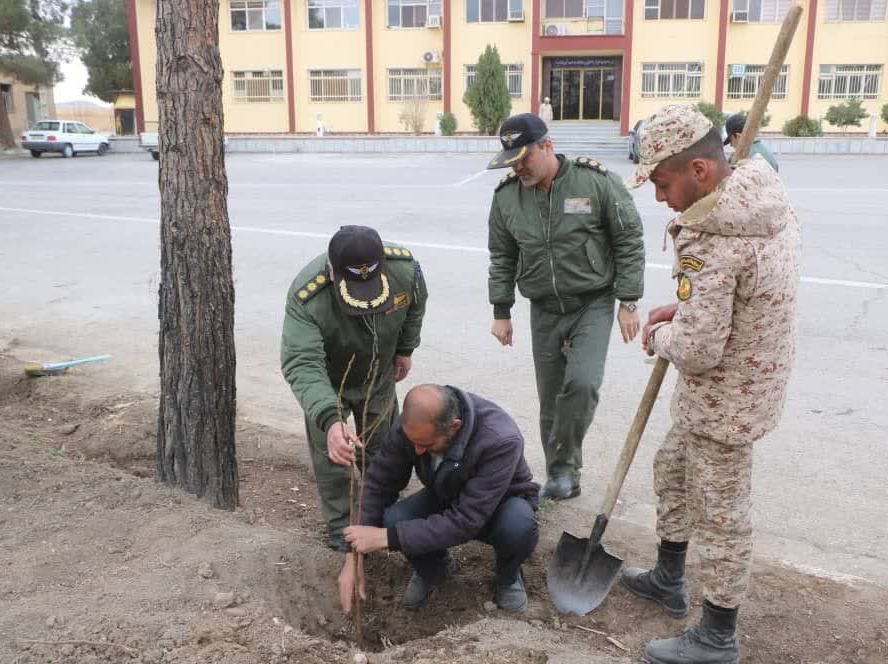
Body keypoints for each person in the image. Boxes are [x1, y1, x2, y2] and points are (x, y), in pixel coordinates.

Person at [622, 104, 799, 663]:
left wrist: (660, 340)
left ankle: (718, 634)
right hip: (743, 381)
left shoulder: (711, 237)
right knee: (671, 470)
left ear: (700, 170)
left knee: (722, 516)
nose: (658, 197)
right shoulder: (756, 189)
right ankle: (668, 578)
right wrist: (684, 309)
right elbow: (737, 296)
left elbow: (698, 352)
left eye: (661, 181)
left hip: (725, 400)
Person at [485, 112, 645, 501]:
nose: (519, 168)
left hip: (592, 301)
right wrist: (501, 311)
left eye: (526, 158)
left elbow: (628, 238)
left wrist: (628, 300)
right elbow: (501, 256)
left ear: (548, 147)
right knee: (551, 395)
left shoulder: (595, 182)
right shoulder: (507, 198)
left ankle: (566, 463)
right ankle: (561, 474)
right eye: (513, 161)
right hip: (543, 306)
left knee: (583, 383)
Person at [281, 225, 428, 551]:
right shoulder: (309, 297)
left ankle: (382, 517)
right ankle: (343, 529)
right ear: (333, 273)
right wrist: (331, 420)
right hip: (329, 382)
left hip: (378, 375)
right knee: (333, 453)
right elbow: (302, 364)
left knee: (384, 450)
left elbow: (415, 304)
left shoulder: (405, 270)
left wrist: (405, 348)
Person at [339, 384, 539, 614]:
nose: (418, 450)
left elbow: (466, 520)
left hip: (501, 503)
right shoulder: (414, 427)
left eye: (426, 445)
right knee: (396, 518)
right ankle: (435, 569)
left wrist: (388, 537)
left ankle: (508, 576)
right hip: (447, 492)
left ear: (454, 427)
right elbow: (379, 483)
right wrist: (353, 557)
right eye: (414, 442)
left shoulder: (500, 439)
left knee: (517, 526)